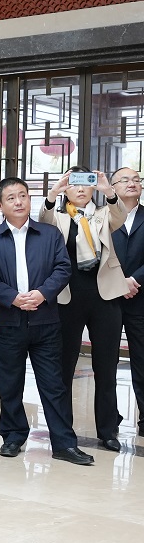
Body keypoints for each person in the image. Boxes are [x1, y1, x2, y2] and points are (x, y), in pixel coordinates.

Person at [0, 177, 93, 465]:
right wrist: (12, 297)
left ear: (29, 199)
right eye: (11, 198)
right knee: (9, 384)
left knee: (53, 385)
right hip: (8, 321)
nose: (18, 202)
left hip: (46, 321)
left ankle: (64, 443)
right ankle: (13, 436)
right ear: (0, 205)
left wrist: (42, 294)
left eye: (23, 195)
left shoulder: (49, 234)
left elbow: (63, 268)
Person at [39, 167, 126, 452]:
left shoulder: (103, 213)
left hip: (105, 298)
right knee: (64, 367)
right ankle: (63, 430)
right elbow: (43, 220)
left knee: (106, 368)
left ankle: (108, 430)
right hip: (67, 299)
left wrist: (108, 190)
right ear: (66, 188)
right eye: (73, 183)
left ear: (92, 188)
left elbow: (120, 216)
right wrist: (53, 192)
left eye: (86, 183)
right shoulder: (59, 217)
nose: (80, 189)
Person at [112, 166, 144, 437]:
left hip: (140, 298)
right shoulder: (101, 217)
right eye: (124, 180)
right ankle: (109, 418)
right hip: (108, 299)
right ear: (112, 187)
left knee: (142, 361)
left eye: (136, 179)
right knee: (105, 362)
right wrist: (118, 282)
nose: (132, 183)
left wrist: (133, 279)